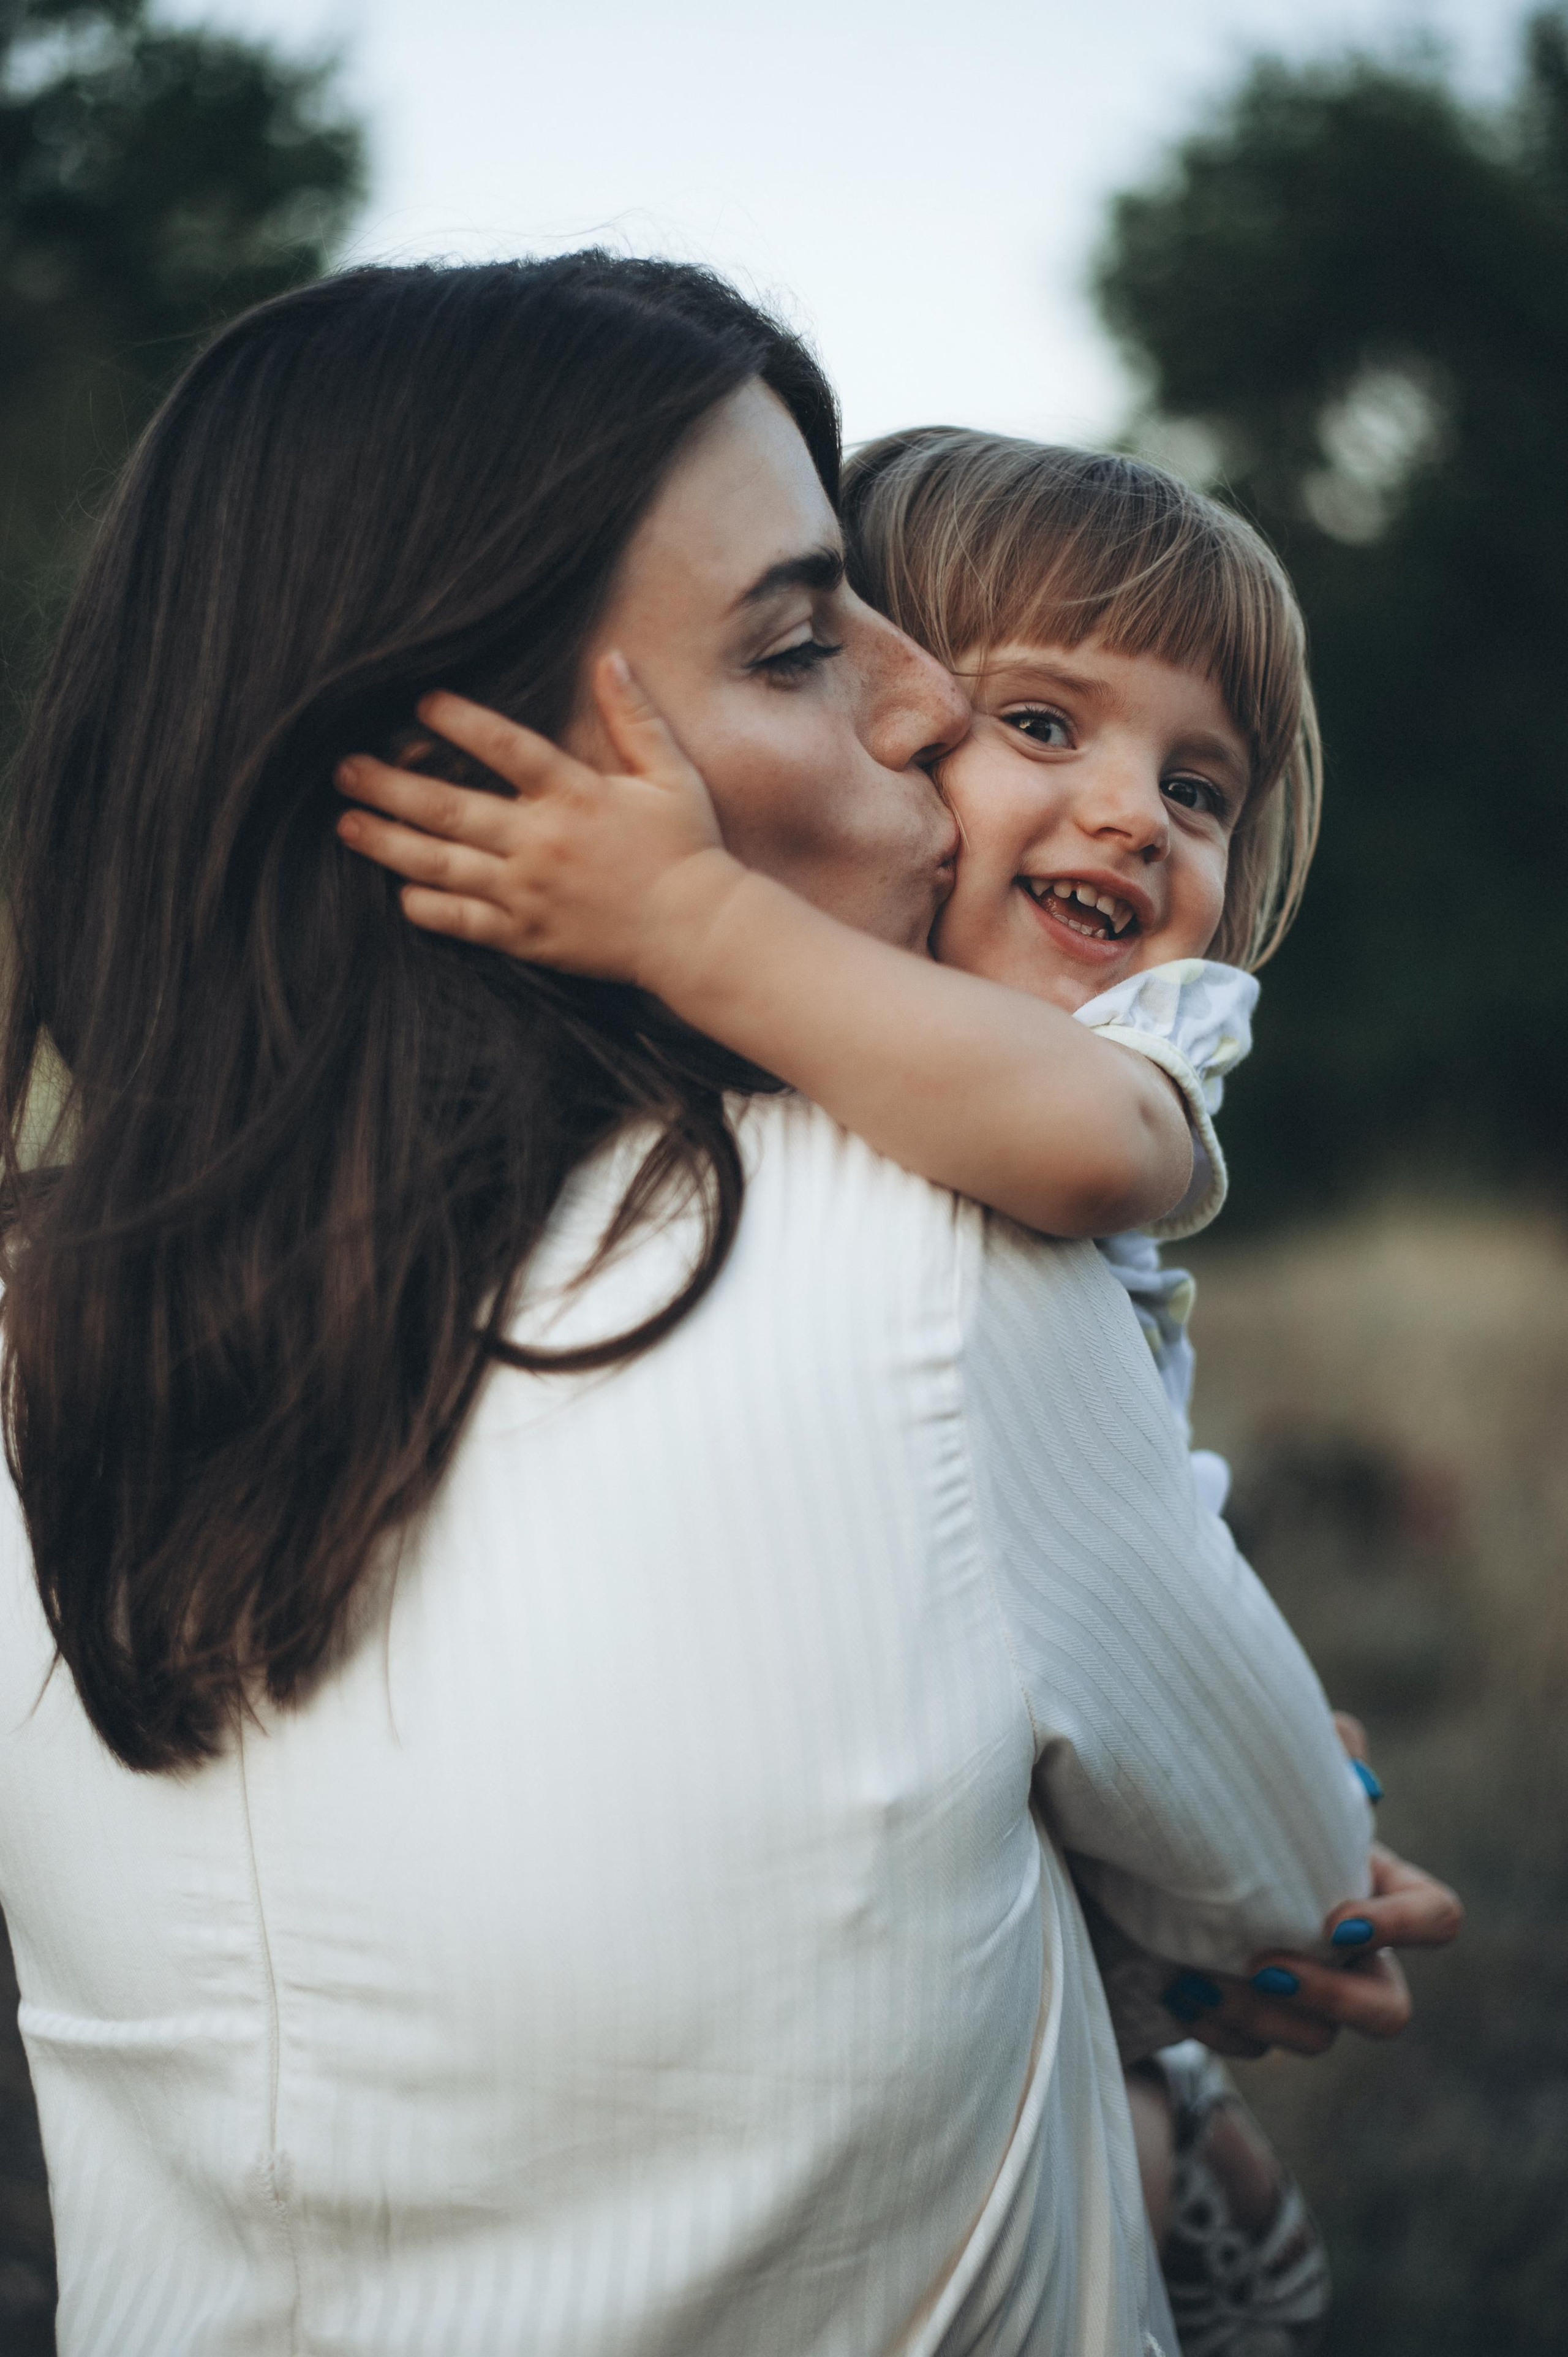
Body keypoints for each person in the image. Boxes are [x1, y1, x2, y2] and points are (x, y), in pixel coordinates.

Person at [0, 254, 1442, 2357]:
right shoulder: (920, 1260)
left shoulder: (58, 1322)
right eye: (797, 642)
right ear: (477, 774)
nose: (923, 700)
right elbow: (1291, 1885)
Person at [334, 426, 1463, 2350]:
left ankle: (1188, 2164)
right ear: (893, 722)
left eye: (1200, 786)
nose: (1132, 816)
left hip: (1045, 1673)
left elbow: (1101, 1154)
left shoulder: (1122, 1066)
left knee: (1166, 1989)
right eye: (1043, 726)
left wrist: (691, 916)